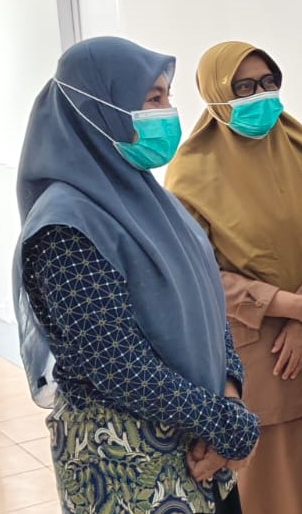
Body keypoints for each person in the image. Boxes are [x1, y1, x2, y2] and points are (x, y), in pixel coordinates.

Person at [13, 37, 260, 514]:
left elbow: (210, 309)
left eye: (167, 96)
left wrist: (230, 399)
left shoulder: (156, 203)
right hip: (126, 467)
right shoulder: (63, 227)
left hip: (202, 448)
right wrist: (226, 425)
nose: (167, 111)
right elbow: (117, 364)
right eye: (152, 99)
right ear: (100, 110)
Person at [166, 41, 302, 514]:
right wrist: (291, 307)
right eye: (245, 87)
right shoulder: (190, 174)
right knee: (270, 492)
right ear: (216, 94)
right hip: (258, 354)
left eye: (269, 83)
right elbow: (201, 275)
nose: (261, 96)